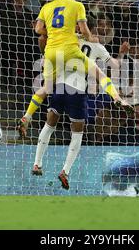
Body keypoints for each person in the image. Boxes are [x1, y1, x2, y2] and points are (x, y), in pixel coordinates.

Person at [17, 0, 132, 137]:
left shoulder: (47, 7)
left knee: (46, 90)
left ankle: (27, 116)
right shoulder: (77, 7)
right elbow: (113, 63)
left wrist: (52, 33)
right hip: (75, 73)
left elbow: (38, 30)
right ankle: (118, 98)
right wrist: (92, 38)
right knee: (101, 76)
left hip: (52, 55)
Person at [32, 32, 117, 190]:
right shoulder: (97, 46)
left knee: (49, 125)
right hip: (78, 90)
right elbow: (114, 64)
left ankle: (37, 163)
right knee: (77, 134)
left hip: (60, 85)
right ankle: (65, 171)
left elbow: (47, 40)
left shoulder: (69, 37)